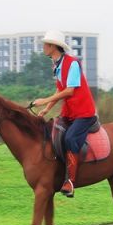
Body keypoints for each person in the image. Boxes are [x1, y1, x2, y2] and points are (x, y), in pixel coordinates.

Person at [32, 30, 98, 198]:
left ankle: (70, 181)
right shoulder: (57, 65)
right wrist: (48, 109)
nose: (44, 47)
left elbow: (69, 91)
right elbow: (60, 89)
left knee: (69, 138)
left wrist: (45, 101)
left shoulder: (73, 63)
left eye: (46, 45)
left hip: (84, 113)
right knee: (54, 133)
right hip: (70, 112)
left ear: (54, 46)